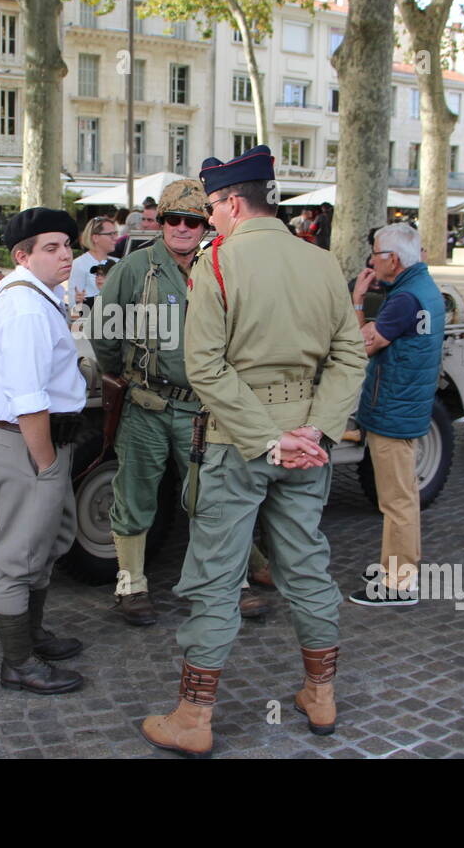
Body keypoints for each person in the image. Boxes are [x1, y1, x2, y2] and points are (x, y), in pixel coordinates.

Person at [141, 145, 368, 757]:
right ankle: (321, 694)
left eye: (211, 207)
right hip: (307, 446)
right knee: (307, 565)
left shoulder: (215, 265)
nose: (208, 219)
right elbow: (350, 356)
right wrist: (316, 431)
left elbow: (205, 369)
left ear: (233, 203)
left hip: (235, 442)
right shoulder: (323, 263)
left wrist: (268, 437)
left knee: (216, 575)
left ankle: (194, 718)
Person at [90, 180, 269, 626]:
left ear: (206, 224)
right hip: (147, 405)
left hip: (207, 409)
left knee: (213, 497)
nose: (183, 228)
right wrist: (127, 376)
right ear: (162, 222)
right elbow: (104, 332)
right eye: (173, 219)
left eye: (193, 220)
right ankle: (131, 584)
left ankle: (232, 582)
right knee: (134, 493)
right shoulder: (135, 268)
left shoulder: (224, 266)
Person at [0, 207, 87, 695]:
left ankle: (33, 635)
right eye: (52, 247)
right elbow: (28, 399)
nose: (66, 254)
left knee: (44, 546)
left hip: (41, 443)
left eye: (68, 245)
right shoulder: (24, 306)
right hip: (28, 445)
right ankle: (17, 662)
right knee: (18, 558)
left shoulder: (36, 297)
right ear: (23, 255)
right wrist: (45, 465)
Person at [346, 223, 446, 606]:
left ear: (394, 260)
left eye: (375, 253)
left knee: (397, 500)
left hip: (394, 408)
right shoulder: (420, 289)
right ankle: (398, 568)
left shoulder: (405, 299)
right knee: (399, 496)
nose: (371, 260)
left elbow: (362, 346)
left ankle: (399, 582)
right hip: (405, 405)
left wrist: (357, 299)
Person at [69, 216, 118, 312]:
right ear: (95, 237)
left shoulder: (119, 263)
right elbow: (73, 305)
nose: (115, 238)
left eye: (115, 233)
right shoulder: (79, 264)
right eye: (110, 234)